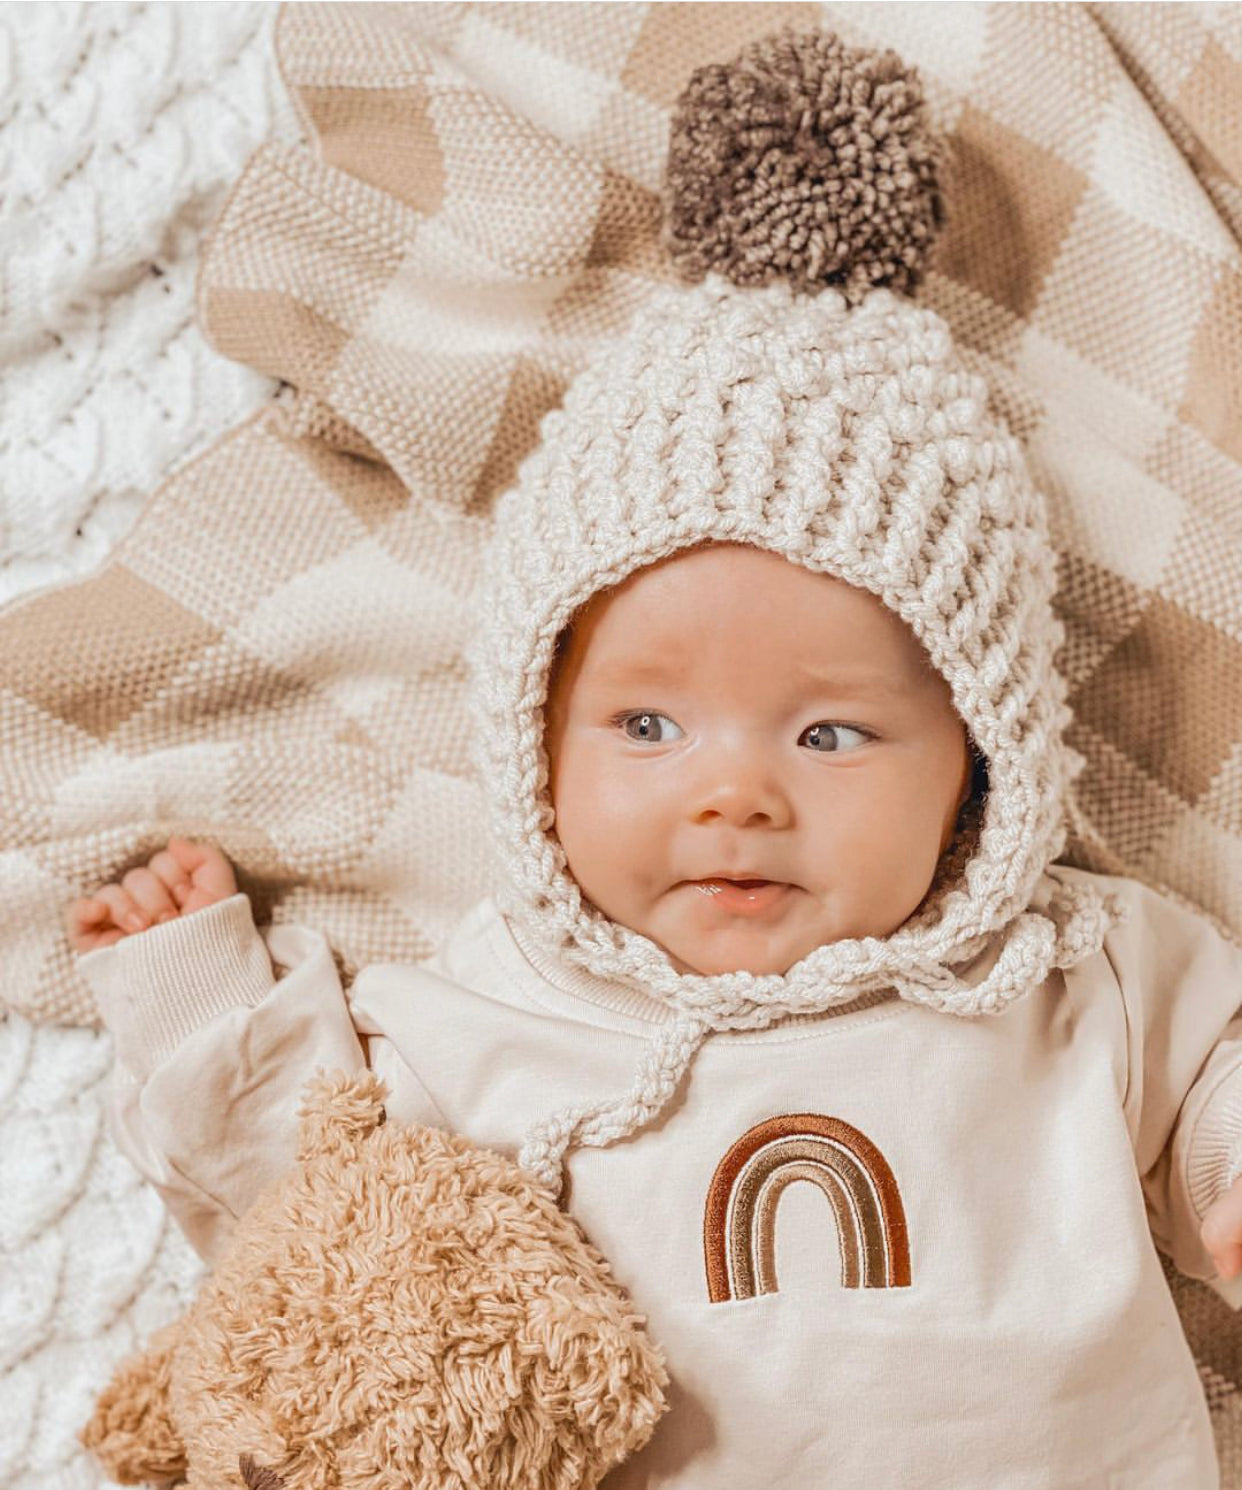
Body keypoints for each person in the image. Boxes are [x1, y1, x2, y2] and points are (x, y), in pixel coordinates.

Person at [65, 25, 1242, 1489]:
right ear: (534, 739)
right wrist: (193, 1000)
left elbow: (1213, 1076)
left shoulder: (1077, 970)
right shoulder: (491, 1013)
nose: (733, 792)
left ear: (979, 763)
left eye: (828, 733)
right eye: (644, 724)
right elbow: (313, 1213)